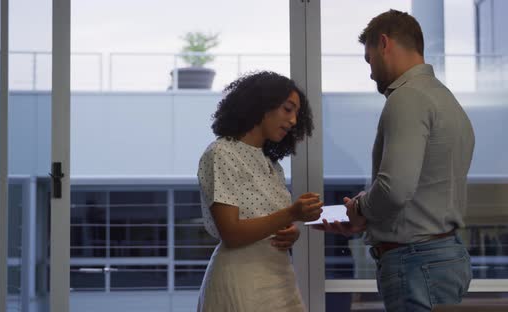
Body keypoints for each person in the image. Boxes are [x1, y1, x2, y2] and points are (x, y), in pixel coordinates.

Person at [312, 9, 475, 312]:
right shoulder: (445, 99)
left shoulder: (407, 98)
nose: (371, 71)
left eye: (369, 59)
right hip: (439, 256)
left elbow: (395, 188)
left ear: (384, 43)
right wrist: (364, 215)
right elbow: (419, 190)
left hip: (416, 262)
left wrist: (359, 208)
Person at [196, 71, 323, 311]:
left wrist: (290, 233)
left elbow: (266, 222)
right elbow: (231, 234)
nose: (294, 120)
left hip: (278, 278)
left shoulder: (271, 165)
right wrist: (292, 213)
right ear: (261, 105)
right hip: (242, 280)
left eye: (297, 113)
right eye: (288, 109)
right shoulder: (221, 153)